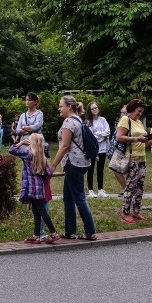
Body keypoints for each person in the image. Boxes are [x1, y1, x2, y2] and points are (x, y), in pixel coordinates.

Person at [51, 95, 96, 240]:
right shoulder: (78, 120)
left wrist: (53, 165)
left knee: (79, 198)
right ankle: (70, 231)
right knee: (68, 198)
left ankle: (90, 231)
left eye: (61, 106)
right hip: (81, 162)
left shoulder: (68, 122)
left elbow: (64, 146)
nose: (59, 108)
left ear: (69, 107)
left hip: (73, 163)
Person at [10, 133, 60, 244]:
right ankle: (36, 235)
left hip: (30, 188)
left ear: (31, 143)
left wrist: (21, 142)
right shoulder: (43, 157)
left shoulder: (28, 154)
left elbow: (12, 150)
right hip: (40, 189)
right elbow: (47, 174)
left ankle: (53, 232)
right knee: (37, 212)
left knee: (41, 211)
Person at [116, 99, 152, 224]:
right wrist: (137, 138)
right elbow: (119, 137)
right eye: (139, 111)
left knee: (140, 186)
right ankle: (125, 213)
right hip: (131, 157)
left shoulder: (139, 123)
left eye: (142, 112)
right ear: (132, 109)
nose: (140, 114)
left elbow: (144, 143)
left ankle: (136, 212)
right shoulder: (125, 120)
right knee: (131, 186)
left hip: (142, 158)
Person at [84, 101, 110, 198]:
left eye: (96, 108)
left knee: (100, 170)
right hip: (93, 149)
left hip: (102, 149)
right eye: (92, 109)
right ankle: (90, 190)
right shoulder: (88, 122)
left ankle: (100, 189)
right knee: (90, 169)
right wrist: (100, 135)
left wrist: (99, 135)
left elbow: (107, 132)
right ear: (89, 111)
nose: (95, 110)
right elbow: (90, 135)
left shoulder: (102, 120)